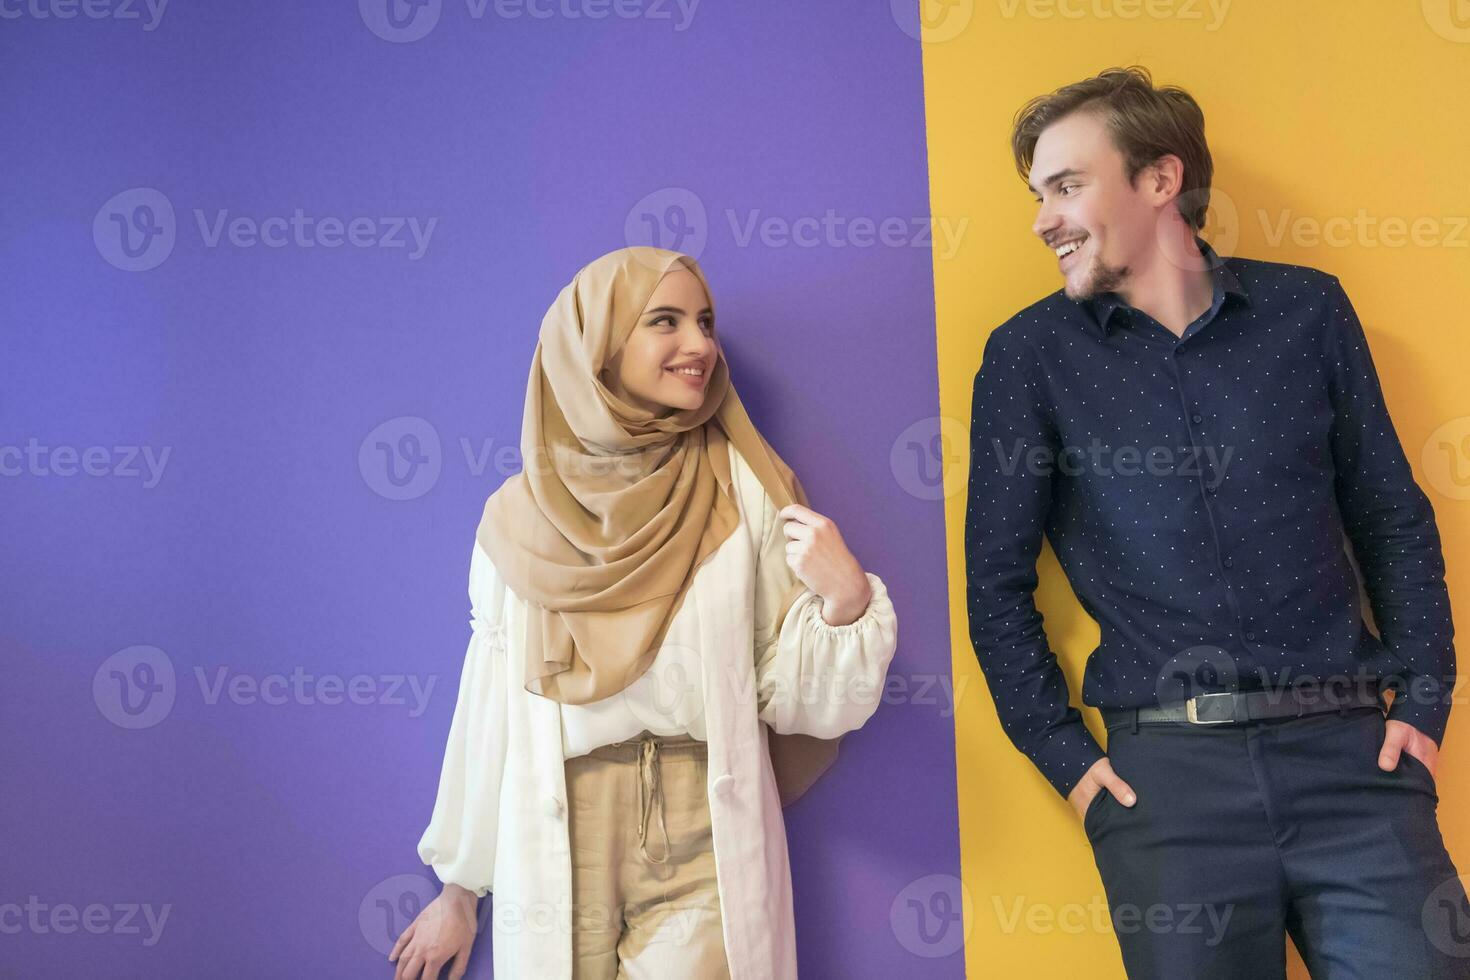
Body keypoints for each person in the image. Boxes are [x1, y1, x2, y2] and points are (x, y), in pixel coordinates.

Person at [964, 65, 1468, 977]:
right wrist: (1071, 764)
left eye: (1067, 186)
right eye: (1037, 194)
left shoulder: (1308, 312)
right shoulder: (1027, 357)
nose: (1042, 218)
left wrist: (1427, 701)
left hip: (1357, 767)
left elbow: (1392, 517)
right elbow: (995, 586)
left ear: (1160, 181)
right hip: (1167, 790)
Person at [389, 246, 898, 979]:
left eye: (706, 321)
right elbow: (488, 707)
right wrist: (459, 892)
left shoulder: (744, 490)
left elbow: (795, 703)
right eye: (666, 321)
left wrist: (848, 603)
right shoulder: (516, 518)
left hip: (703, 826)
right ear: (597, 345)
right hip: (559, 827)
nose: (700, 345)